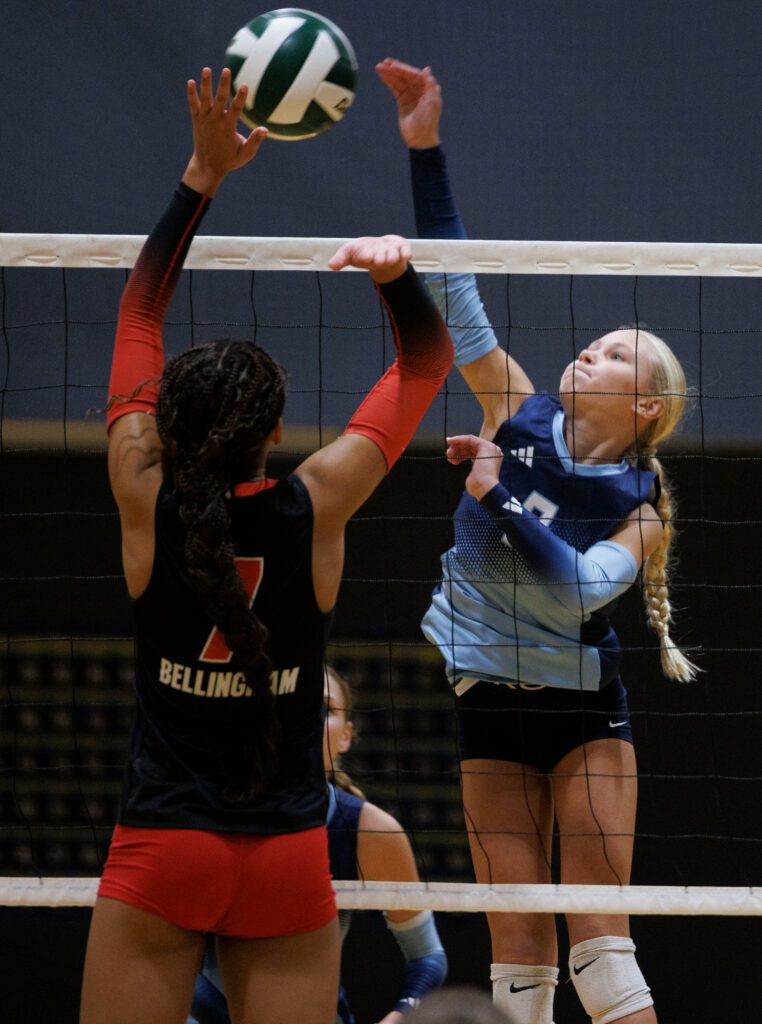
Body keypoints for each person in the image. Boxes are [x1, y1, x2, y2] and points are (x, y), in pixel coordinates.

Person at [79, 67, 453, 1024]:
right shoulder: (316, 501)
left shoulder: (139, 486)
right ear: (271, 431)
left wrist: (202, 175)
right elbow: (427, 357)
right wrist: (394, 275)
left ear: (166, 421)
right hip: (286, 851)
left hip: (163, 845)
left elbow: (139, 314)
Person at [377, 57, 697, 1024]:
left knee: (602, 954)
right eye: (589, 342)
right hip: (486, 702)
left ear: (643, 406)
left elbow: (578, 595)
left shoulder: (643, 508)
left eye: (609, 355)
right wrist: (425, 149)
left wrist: (500, 494)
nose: (584, 353)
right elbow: (458, 291)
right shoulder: (516, 408)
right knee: (517, 961)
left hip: (581, 716)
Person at [189, 666, 448, 1024]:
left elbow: (428, 957)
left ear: (346, 736)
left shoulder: (369, 831)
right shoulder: (197, 816)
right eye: (291, 706)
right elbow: (167, 958)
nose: (308, 720)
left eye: (325, 710)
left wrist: (400, 1015)